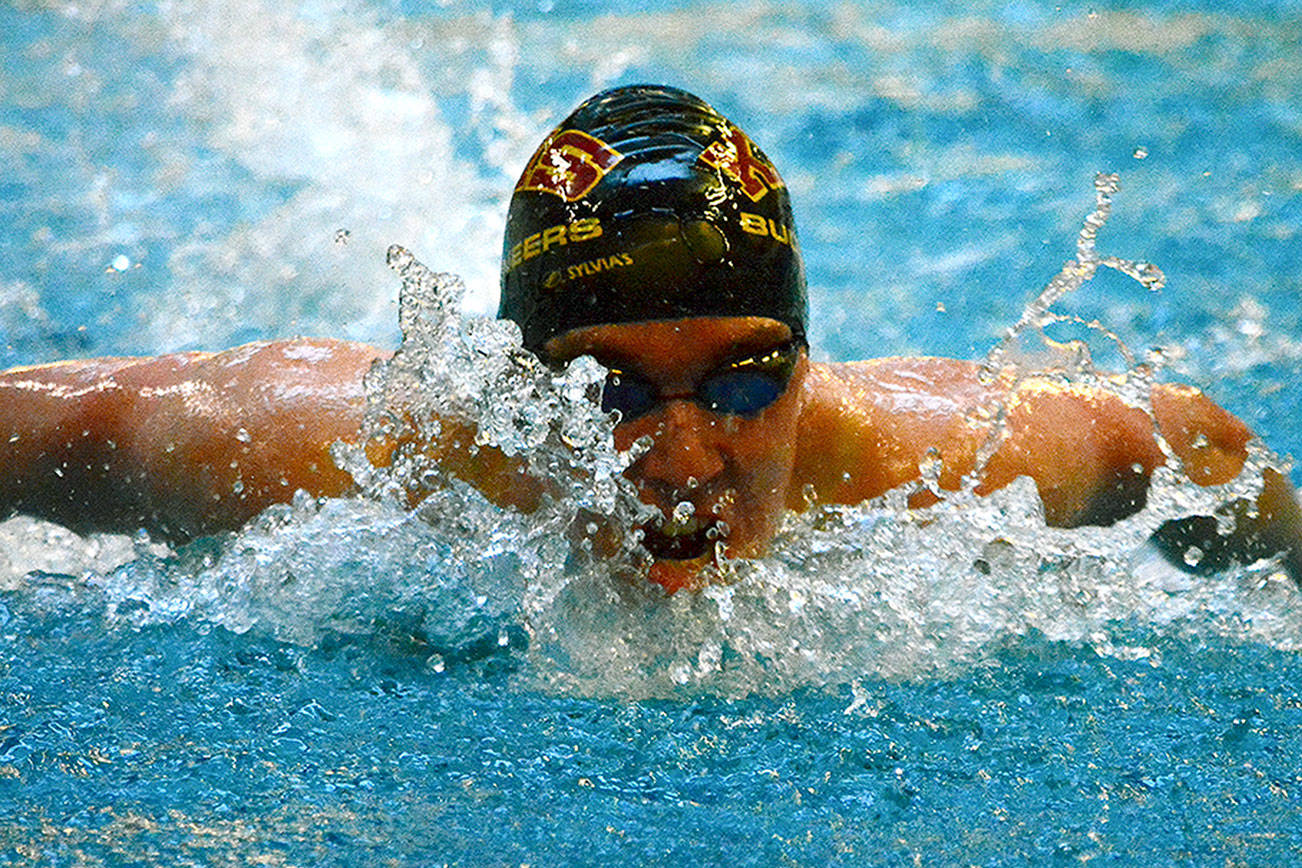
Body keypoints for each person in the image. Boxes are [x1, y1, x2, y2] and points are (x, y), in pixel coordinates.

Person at [2, 85, 1299, 593]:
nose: (681, 455)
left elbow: (1191, 442)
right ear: (517, 381)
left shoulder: (928, 469)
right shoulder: (336, 464)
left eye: (742, 378)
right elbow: (53, 421)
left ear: (803, 358)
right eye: (602, 385)